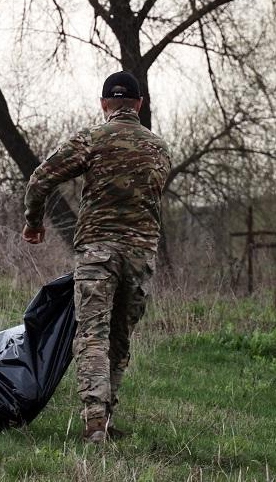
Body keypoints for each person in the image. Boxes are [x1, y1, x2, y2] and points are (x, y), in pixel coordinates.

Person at [22, 71, 171, 444]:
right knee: (120, 339)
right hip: (140, 254)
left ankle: (94, 424)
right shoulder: (159, 148)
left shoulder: (92, 139)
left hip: (97, 252)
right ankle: (106, 421)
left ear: (104, 104)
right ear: (138, 104)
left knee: (93, 335)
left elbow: (41, 178)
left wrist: (34, 223)